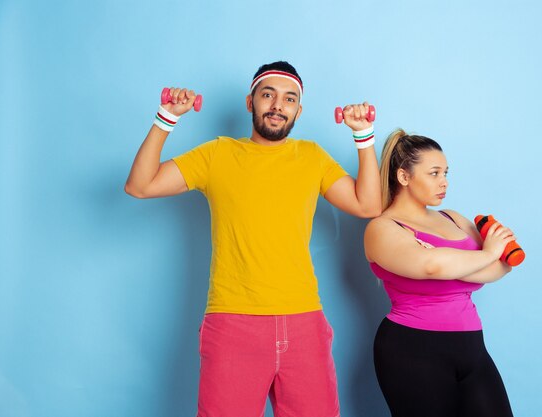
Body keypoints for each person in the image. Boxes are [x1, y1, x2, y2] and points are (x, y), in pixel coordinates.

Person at [125, 61, 381, 417]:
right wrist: (166, 117)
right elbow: (140, 185)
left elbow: (368, 204)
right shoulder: (217, 154)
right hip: (233, 323)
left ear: (298, 110)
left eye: (289, 99)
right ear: (250, 102)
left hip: (304, 321)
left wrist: (363, 136)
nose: (278, 105)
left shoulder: (311, 157)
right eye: (268, 95)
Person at [364, 128, 515, 417]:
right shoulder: (382, 228)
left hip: (472, 347)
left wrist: (457, 262)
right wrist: (484, 254)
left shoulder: (453, 218)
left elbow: (500, 267)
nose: (443, 182)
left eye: (446, 173)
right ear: (404, 177)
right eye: (434, 173)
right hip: (412, 349)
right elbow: (431, 266)